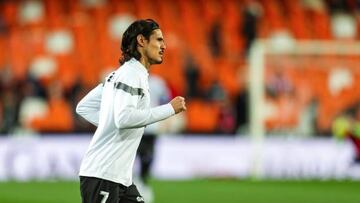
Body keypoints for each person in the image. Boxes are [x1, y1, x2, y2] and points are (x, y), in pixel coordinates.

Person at [76, 19, 186, 203]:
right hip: (103, 174)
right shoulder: (130, 75)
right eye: (158, 40)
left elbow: (84, 107)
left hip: (120, 179)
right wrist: (169, 109)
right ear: (141, 41)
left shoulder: (119, 75)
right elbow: (124, 118)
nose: (164, 46)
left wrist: (110, 124)